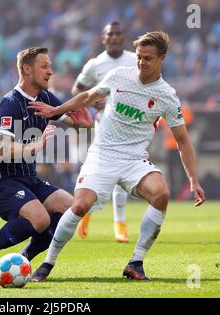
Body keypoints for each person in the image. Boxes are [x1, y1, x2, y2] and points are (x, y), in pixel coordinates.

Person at [29, 31, 205, 281]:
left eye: (148, 58)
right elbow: (88, 96)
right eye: (139, 57)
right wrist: (57, 111)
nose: (141, 63)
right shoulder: (120, 75)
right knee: (79, 205)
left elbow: (183, 141)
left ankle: (136, 262)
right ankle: (48, 263)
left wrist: (193, 180)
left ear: (162, 58)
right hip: (103, 154)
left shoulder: (167, 95)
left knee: (161, 193)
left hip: (134, 159)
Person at [0, 47, 92, 264]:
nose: (50, 72)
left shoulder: (45, 97)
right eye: (44, 66)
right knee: (40, 219)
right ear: (27, 69)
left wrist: (70, 114)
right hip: (2, 182)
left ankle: (24, 259)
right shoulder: (11, 102)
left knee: (71, 210)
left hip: (28, 179)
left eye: (50, 67)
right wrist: (36, 145)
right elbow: (3, 149)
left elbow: (82, 123)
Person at [71, 21, 136, 243]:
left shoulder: (134, 59)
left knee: (123, 174)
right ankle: (89, 213)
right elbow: (77, 89)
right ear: (104, 38)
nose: (115, 37)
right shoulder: (95, 64)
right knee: (103, 174)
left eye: (118, 33)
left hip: (129, 125)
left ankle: (119, 223)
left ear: (123, 37)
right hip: (105, 125)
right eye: (111, 34)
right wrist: (94, 103)